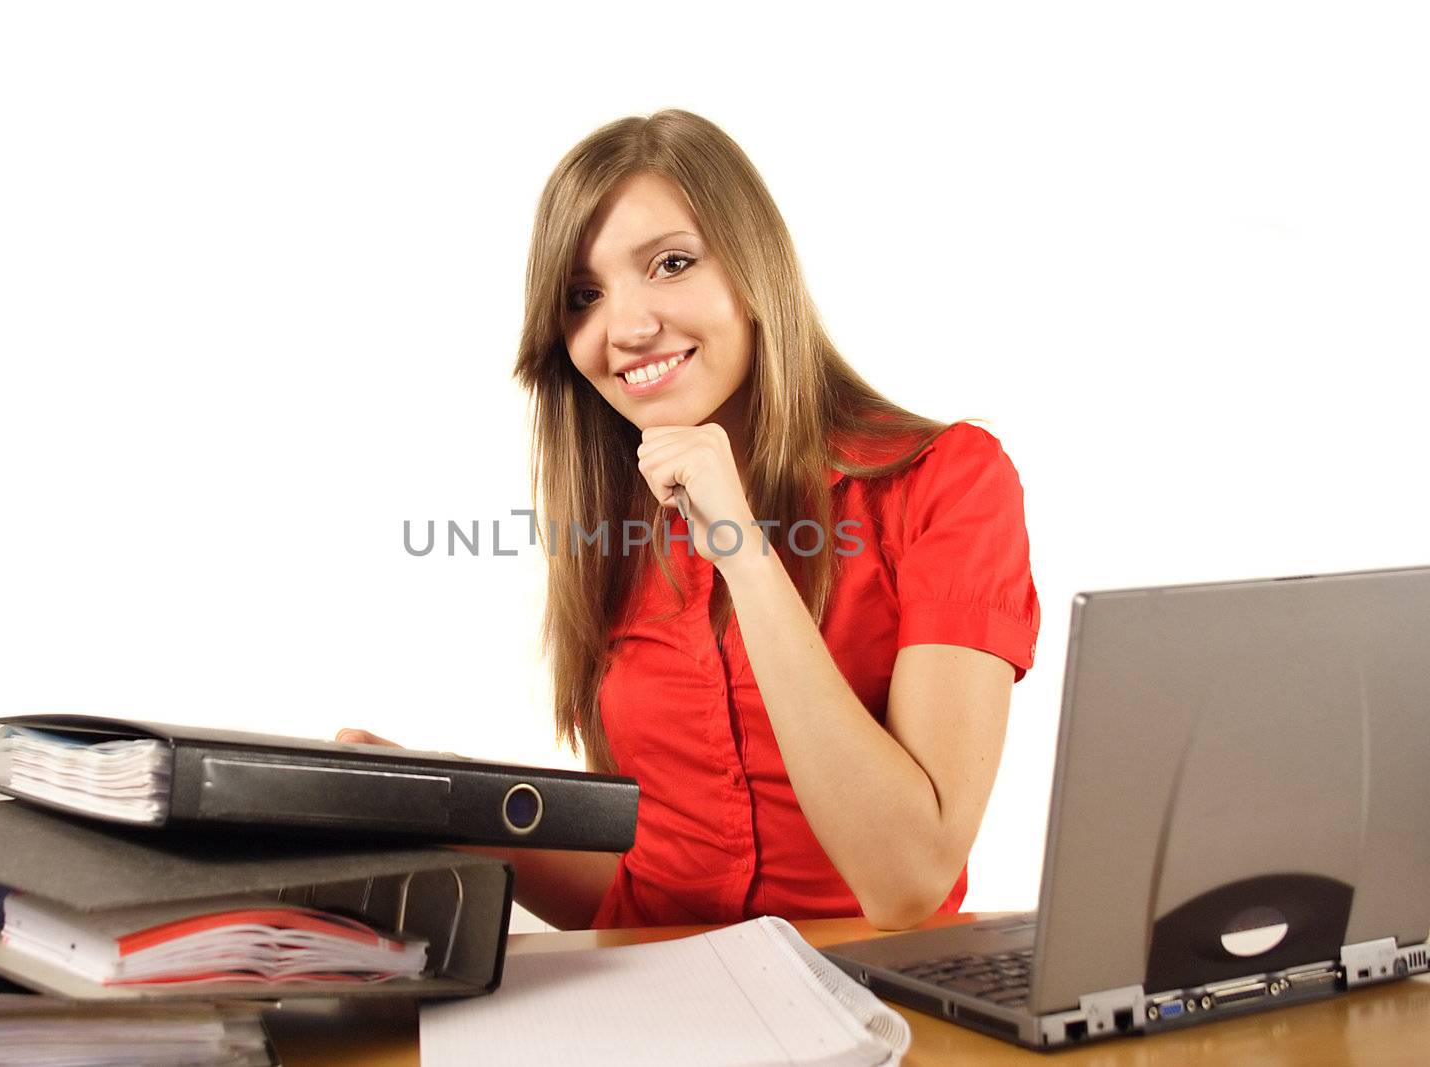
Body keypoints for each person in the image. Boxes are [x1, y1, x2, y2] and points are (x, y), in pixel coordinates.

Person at [342, 109, 1039, 931]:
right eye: (583, 296)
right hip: (665, 1005)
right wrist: (445, 800)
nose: (628, 328)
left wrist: (742, 550)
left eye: (671, 264)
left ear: (753, 269)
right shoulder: (614, 523)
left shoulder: (947, 481)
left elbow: (907, 879)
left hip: (878, 1003)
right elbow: (654, 882)